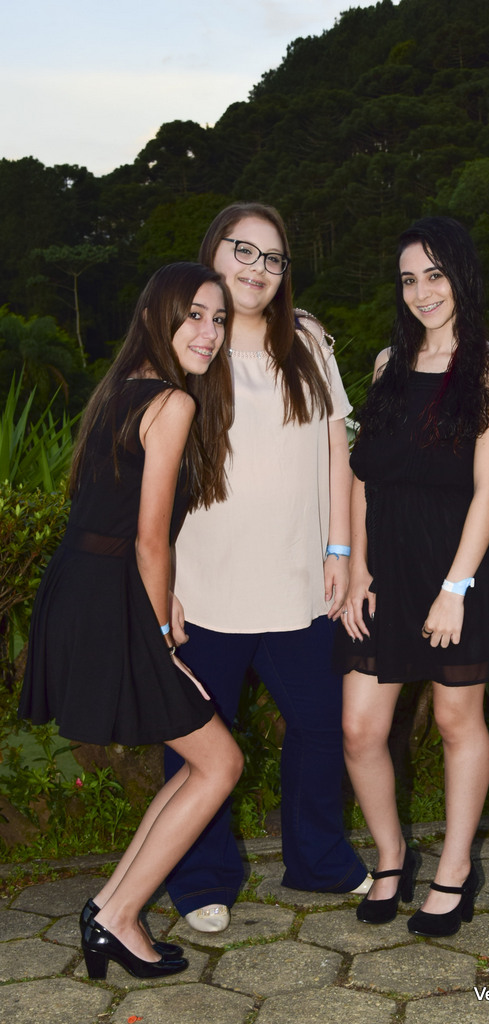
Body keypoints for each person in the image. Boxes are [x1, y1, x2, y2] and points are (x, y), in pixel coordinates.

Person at [19, 262, 244, 980]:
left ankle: (110, 909)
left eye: (218, 318)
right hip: (108, 600)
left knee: (206, 760)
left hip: (84, 585)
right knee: (221, 763)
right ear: (156, 317)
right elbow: (149, 537)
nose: (209, 332)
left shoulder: (119, 390)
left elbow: (108, 515)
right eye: (194, 315)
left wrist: (163, 599)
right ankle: (116, 915)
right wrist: (159, 639)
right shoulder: (172, 403)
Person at [164, 202, 370, 933]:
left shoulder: (307, 342)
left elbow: (337, 449)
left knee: (320, 725)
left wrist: (340, 550)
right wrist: (163, 588)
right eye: (242, 251)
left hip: (299, 583)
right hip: (202, 586)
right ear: (213, 253)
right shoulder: (188, 342)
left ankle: (318, 859)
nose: (257, 268)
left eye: (272, 257)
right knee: (198, 738)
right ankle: (200, 879)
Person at [338, 217, 489, 937]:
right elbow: (364, 476)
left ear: (461, 277)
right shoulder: (389, 362)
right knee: (359, 728)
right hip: (385, 570)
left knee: (453, 720)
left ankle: (455, 867)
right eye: (409, 279)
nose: (422, 292)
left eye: (435, 276)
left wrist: (455, 588)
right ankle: (391, 856)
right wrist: (357, 569)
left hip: (454, 570)